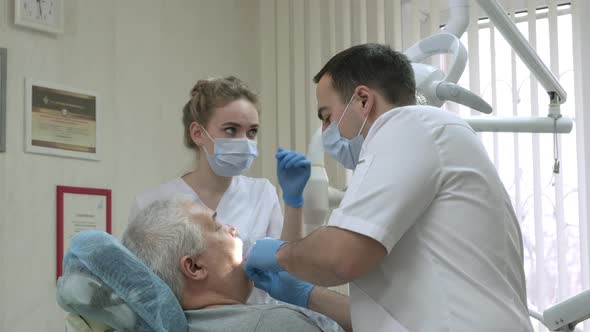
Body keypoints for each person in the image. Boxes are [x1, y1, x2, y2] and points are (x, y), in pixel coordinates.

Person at [244, 43, 534, 331]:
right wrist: (307, 294)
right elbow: (385, 317)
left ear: (362, 100)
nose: (325, 132)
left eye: (327, 116)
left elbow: (343, 257)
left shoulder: (409, 125)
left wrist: (279, 253)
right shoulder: (429, 135)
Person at [128, 76, 311, 303]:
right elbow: (142, 289)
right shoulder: (152, 203)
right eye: (231, 130)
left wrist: (294, 202)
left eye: (252, 132)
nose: (244, 140)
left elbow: (291, 266)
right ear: (197, 133)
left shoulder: (262, 193)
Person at [122, 196, 344, 332]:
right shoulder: (275, 324)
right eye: (217, 226)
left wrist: (308, 295)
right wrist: (311, 295)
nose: (233, 229)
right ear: (194, 267)